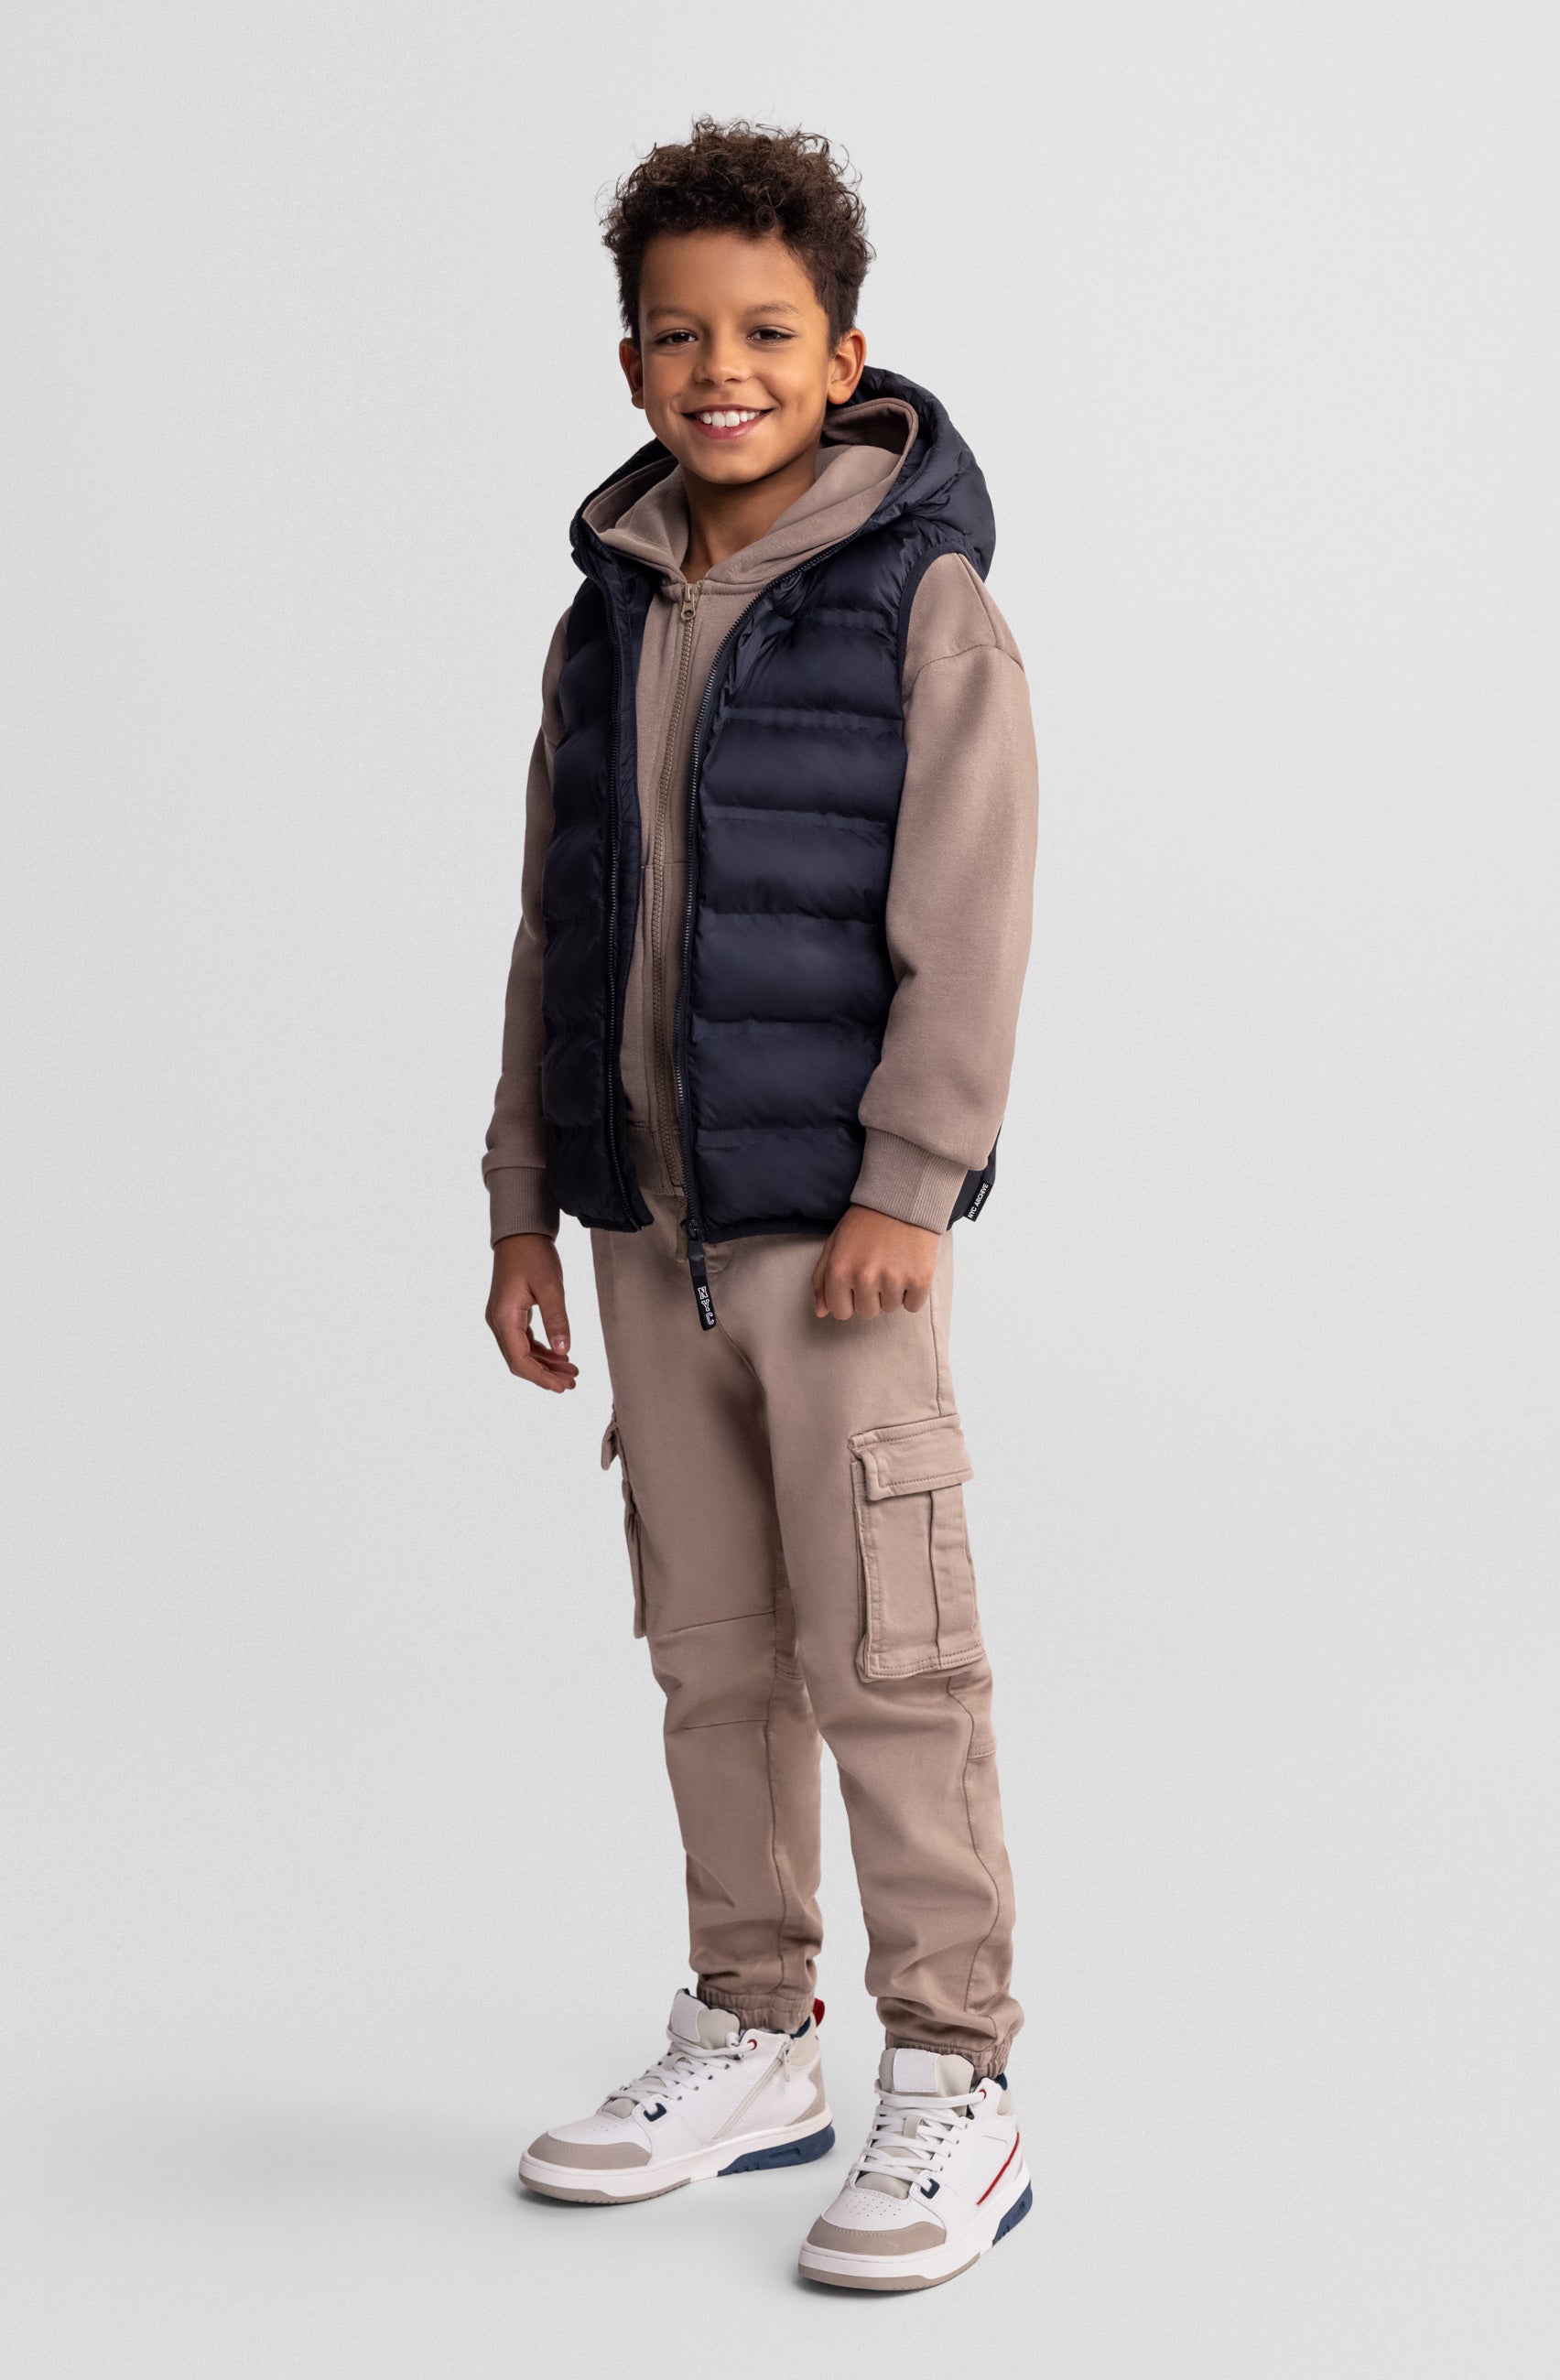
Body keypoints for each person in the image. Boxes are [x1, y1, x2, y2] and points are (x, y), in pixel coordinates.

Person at [482, 117, 1039, 2293]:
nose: (723, 369)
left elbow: (971, 914)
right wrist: (527, 1196)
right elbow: (555, 923)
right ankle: (753, 2027)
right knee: (712, 1648)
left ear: (844, 356)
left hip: (837, 1241)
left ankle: (959, 2068)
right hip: (649, 1230)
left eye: (768, 333)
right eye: (680, 335)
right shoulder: (605, 612)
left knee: (890, 1654)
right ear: (632, 361)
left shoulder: (923, 604)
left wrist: (913, 1179)